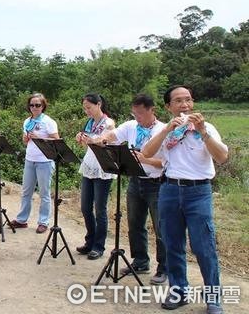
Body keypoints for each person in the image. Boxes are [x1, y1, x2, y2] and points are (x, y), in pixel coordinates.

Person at [142, 86, 228, 314]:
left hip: (198, 192)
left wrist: (203, 132)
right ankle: (179, 291)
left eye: (188, 100)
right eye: (178, 101)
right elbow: (147, 153)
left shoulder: (206, 128)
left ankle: (213, 298)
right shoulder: (166, 130)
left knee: (204, 247)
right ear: (168, 107)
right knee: (173, 244)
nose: (185, 105)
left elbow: (221, 157)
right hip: (170, 189)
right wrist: (166, 130)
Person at [89, 94, 167, 284]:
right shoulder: (131, 126)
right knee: (135, 223)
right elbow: (113, 135)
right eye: (135, 113)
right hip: (134, 180)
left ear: (152, 110)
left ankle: (164, 267)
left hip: (156, 183)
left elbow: (165, 163)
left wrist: (144, 159)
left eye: (141, 113)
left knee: (160, 227)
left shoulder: (163, 130)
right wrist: (101, 139)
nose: (137, 116)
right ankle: (140, 260)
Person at [10, 93, 59, 234]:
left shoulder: (48, 121)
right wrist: (26, 139)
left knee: (44, 192)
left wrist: (39, 138)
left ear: (43, 106)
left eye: (38, 105)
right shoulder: (27, 121)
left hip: (45, 160)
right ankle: (22, 219)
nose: (34, 107)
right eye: (32, 105)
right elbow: (25, 141)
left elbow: (56, 140)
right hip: (30, 159)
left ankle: (43, 222)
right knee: (26, 191)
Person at [75, 93, 116, 259]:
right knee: (85, 207)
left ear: (99, 104)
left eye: (89, 108)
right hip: (89, 165)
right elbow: (88, 142)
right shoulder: (90, 122)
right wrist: (81, 137)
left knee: (100, 209)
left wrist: (92, 140)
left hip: (103, 168)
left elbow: (103, 141)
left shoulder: (109, 122)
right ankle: (89, 241)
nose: (87, 111)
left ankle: (99, 246)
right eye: (85, 108)